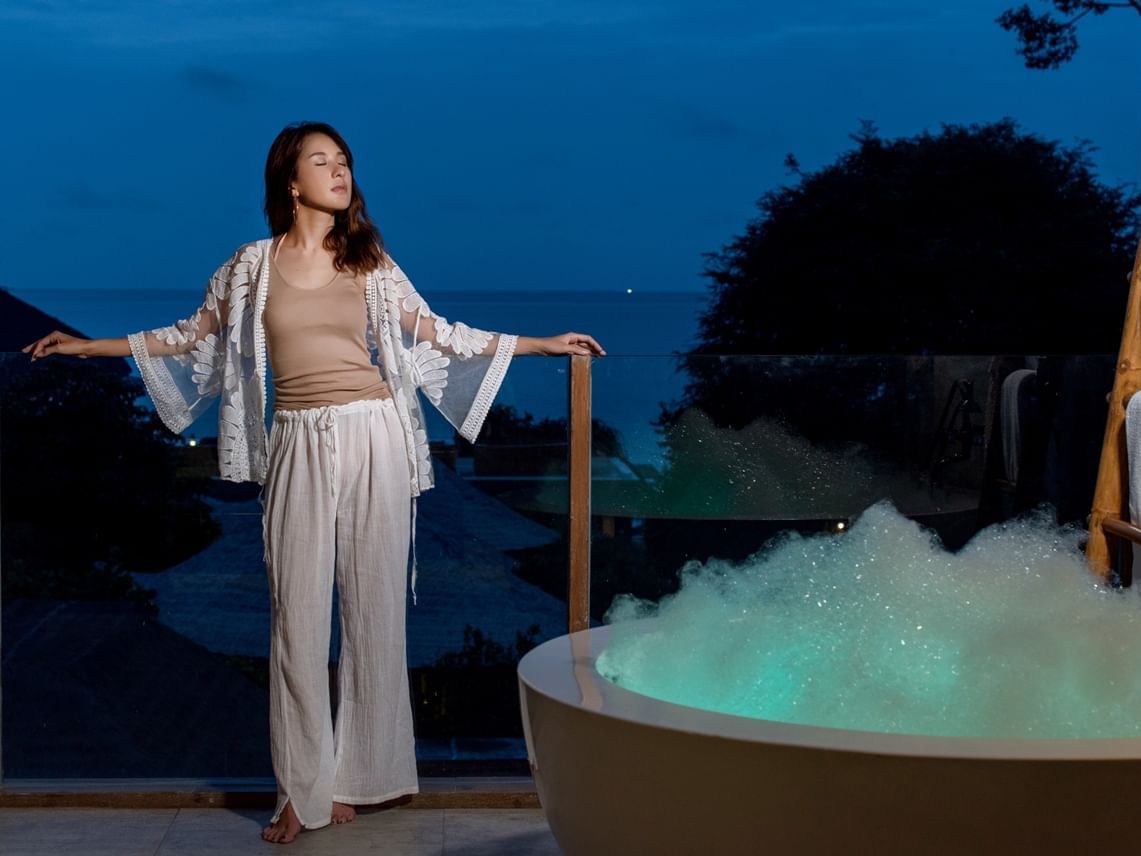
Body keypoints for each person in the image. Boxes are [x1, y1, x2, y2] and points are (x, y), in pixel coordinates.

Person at [24, 121, 606, 845]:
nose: (340, 172)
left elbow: (436, 333)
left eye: (345, 162)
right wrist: (87, 346)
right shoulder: (250, 266)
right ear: (291, 182)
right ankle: (299, 792)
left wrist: (540, 342)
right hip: (296, 439)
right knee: (295, 618)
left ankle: (359, 781)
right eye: (321, 162)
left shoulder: (369, 260)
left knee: (372, 612)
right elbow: (189, 335)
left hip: (375, 436)